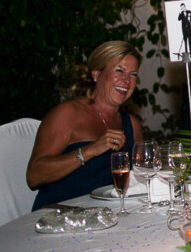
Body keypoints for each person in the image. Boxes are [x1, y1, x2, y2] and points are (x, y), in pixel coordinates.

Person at [27, 41, 143, 210]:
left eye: (133, 74)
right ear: (96, 74)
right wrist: (89, 151)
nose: (126, 80)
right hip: (60, 215)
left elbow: (140, 178)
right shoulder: (68, 114)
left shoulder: (132, 125)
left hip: (111, 215)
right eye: (119, 71)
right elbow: (34, 176)